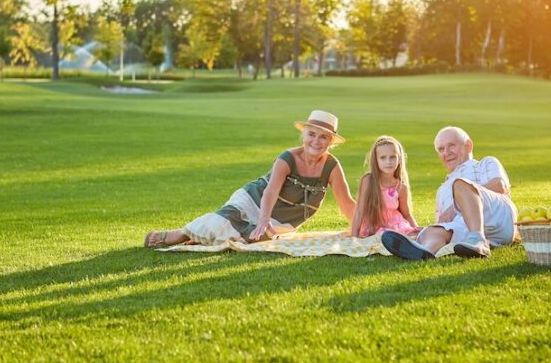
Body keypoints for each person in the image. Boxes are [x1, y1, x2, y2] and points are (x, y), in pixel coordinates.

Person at [144, 110, 356, 247]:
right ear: (304, 135)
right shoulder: (287, 158)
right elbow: (270, 191)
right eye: (312, 134)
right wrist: (263, 219)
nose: (316, 141)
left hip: (284, 219)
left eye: (323, 137)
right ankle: (181, 234)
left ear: (330, 142)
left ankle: (199, 239)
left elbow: (346, 202)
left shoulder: (332, 166)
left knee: (256, 240)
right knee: (225, 220)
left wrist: (363, 225)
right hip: (255, 200)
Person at [381, 126, 517, 259]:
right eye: (441, 149)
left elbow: (500, 186)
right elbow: (444, 222)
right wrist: (424, 229)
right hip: (464, 228)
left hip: (496, 216)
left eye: (451, 145)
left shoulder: (485, 163)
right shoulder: (442, 190)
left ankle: (478, 240)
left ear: (468, 145)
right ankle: (425, 251)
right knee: (433, 231)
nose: (446, 152)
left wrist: (456, 206)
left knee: (460, 184)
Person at [351, 136, 419, 238]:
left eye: (393, 157)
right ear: (376, 160)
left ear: (399, 159)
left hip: (395, 225)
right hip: (374, 225)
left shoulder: (401, 188)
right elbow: (359, 211)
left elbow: (407, 214)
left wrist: (417, 230)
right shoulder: (368, 181)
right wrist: (354, 237)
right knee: (384, 236)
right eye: (383, 158)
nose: (388, 161)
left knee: (412, 234)